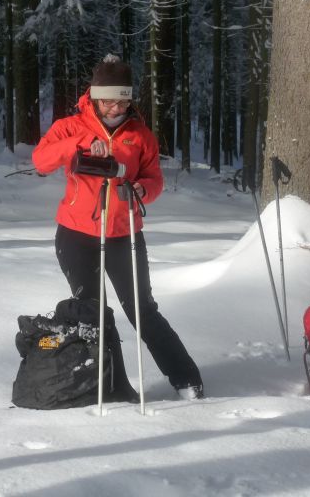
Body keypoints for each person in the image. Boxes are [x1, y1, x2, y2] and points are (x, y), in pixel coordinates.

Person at [32, 54, 204, 401]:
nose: (115, 108)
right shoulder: (70, 126)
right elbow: (41, 161)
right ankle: (112, 386)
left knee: (142, 309)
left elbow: (154, 179)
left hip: (124, 233)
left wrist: (143, 189)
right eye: (108, 101)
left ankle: (187, 379)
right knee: (94, 312)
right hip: (76, 235)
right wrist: (78, 144)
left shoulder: (140, 135)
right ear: (95, 97)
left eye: (122, 101)